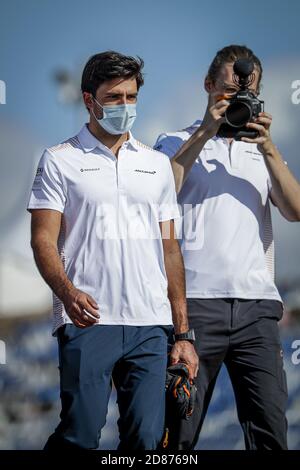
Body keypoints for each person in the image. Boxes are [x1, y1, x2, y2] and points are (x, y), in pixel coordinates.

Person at [27, 51, 199, 450]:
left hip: (150, 326)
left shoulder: (157, 165)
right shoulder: (58, 160)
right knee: (80, 435)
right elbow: (42, 240)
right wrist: (67, 295)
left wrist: (183, 333)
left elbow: (170, 249)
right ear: (89, 100)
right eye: (115, 97)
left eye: (132, 97)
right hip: (88, 321)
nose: (125, 106)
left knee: (147, 440)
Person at [154, 44, 300, 450]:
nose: (238, 103)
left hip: (257, 307)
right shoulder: (175, 140)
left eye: (247, 96)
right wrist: (205, 131)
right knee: (177, 427)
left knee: (271, 428)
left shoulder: (263, 151)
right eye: (228, 94)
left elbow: (295, 209)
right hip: (196, 303)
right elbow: (155, 192)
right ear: (207, 86)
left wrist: (268, 147)